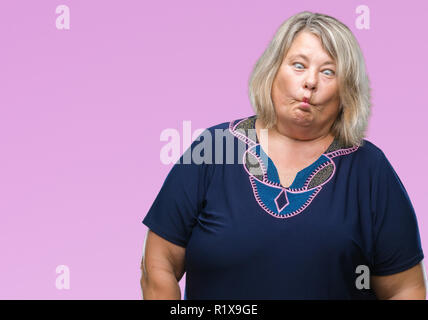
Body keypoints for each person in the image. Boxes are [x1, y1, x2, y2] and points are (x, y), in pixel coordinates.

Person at [140, 11, 426, 299]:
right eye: (298, 65)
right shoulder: (213, 148)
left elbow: (405, 289)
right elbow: (158, 264)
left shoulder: (371, 170)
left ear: (347, 91)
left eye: (328, 72)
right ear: (273, 69)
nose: (310, 82)